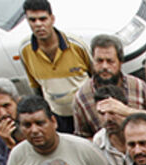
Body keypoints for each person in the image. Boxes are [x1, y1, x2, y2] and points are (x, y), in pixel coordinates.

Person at [5, 97, 113, 165]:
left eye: (40, 123)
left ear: (53, 122)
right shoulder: (17, 155)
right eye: (27, 125)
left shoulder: (84, 148)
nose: (34, 130)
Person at [17, 0, 91, 133]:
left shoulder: (76, 45)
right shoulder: (25, 50)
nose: (38, 24)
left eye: (43, 19)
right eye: (33, 20)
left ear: (52, 19)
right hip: (58, 116)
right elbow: (36, 87)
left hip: (86, 113)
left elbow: (95, 76)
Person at [73, 34, 146, 141]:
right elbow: (83, 137)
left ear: (120, 62)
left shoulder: (139, 88)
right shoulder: (82, 97)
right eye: (99, 61)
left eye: (110, 61)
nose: (104, 66)